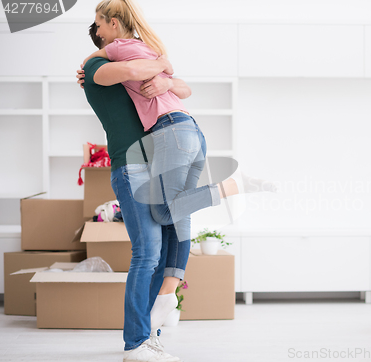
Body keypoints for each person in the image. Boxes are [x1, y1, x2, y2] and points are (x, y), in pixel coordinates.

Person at [84, 0, 278, 245]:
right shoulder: (149, 50)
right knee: (178, 208)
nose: (97, 31)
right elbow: (184, 89)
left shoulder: (118, 49)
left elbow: (94, 61)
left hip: (170, 130)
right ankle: (171, 280)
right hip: (189, 130)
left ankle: (232, 185)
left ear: (113, 23)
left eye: (99, 25)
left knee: (165, 211)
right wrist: (164, 71)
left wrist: (85, 69)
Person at [80, 23, 191, 362]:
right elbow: (131, 67)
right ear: (104, 38)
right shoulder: (98, 67)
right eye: (116, 33)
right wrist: (163, 63)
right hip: (131, 166)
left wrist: (166, 77)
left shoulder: (133, 65)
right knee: (147, 252)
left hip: (155, 163)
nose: (130, 41)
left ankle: (149, 333)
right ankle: (135, 344)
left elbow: (184, 89)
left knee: (172, 240)